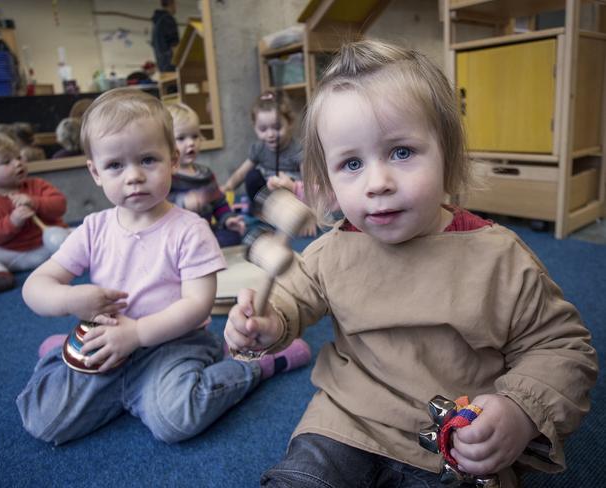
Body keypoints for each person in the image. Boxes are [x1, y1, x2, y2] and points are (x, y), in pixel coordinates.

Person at [224, 40, 598, 487]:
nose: (378, 183)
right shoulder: (331, 251)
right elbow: (291, 298)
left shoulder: (499, 258)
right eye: (351, 163)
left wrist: (520, 410)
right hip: (345, 422)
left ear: (448, 156)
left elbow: (564, 350)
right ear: (326, 178)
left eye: (401, 152)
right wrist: (268, 322)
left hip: (456, 440)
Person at [15, 88, 311, 446]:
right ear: (95, 172)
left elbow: (197, 305)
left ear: (172, 160)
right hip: (107, 341)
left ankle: (254, 366)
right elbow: (36, 286)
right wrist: (69, 298)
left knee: (176, 420)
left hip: (175, 342)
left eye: (148, 160)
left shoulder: (190, 229)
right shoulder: (93, 228)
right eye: (115, 165)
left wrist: (137, 334)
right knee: (41, 419)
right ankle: (62, 351)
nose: (134, 176)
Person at [0, 133, 67, 298]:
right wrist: (12, 222)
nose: (18, 163)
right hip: (14, 254)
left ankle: (95, 256)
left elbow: (60, 206)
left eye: (18, 157)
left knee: (81, 232)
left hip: (51, 247)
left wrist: (34, 202)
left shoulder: (38, 185)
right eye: (6, 162)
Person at [168, 102, 245, 247]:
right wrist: (183, 202)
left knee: (234, 235)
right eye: (181, 138)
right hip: (180, 239)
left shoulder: (205, 174)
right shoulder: (166, 177)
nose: (191, 143)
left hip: (206, 232)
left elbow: (219, 202)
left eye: (195, 136)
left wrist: (228, 219)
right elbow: (159, 206)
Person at [221, 91, 303, 207]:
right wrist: (227, 187)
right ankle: (261, 209)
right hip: (266, 197)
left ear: (290, 122)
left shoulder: (298, 150)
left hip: (290, 195)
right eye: (263, 129)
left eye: (277, 127)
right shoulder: (259, 148)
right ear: (255, 127)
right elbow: (241, 174)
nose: (270, 134)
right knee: (252, 176)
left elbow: (309, 182)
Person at [151, 0, 179, 73]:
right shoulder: (168, 19)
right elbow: (175, 46)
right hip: (172, 65)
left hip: (162, 67)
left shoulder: (156, 24)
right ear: (171, 3)